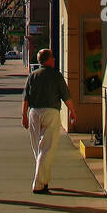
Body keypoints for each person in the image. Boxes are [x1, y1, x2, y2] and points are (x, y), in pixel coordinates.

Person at [22, 48, 76, 194]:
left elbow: (26, 97)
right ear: (48, 59)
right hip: (51, 112)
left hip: (34, 112)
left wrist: (24, 115)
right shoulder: (55, 75)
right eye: (52, 57)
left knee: (38, 148)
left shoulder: (32, 75)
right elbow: (65, 95)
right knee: (47, 148)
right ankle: (39, 184)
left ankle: (43, 179)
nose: (54, 59)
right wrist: (72, 110)